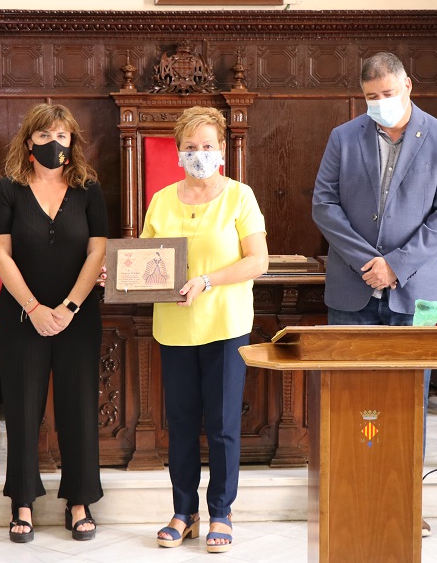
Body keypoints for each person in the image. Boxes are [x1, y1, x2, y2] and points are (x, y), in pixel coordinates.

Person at [311, 52, 437, 537]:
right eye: (371, 96)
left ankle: (405, 501)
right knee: (349, 401)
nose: (380, 102)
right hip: (352, 289)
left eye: (388, 93)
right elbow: (324, 204)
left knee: (408, 404)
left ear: (408, 86)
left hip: (413, 294)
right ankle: (350, 497)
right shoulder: (343, 137)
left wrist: (395, 266)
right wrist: (370, 263)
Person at [142, 106, 268, 553]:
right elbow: (146, 262)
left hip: (224, 326)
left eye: (208, 146)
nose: (200, 154)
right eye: (191, 147)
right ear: (178, 152)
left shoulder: (240, 196)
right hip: (174, 328)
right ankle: (184, 513)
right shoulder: (161, 200)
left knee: (222, 425)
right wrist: (117, 277)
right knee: (179, 425)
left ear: (222, 151)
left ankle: (221, 513)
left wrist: (208, 280)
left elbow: (258, 261)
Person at [0, 103, 107, 543]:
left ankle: (79, 501)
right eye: (43, 136)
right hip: (21, 317)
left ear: (72, 142)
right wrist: (35, 307)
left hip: (79, 315)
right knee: (22, 410)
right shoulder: (7, 190)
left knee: (79, 408)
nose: (52, 143)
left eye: (61, 135)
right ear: (28, 142)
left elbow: (98, 251)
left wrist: (70, 306)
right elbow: (0, 255)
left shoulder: (88, 189)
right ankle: (22, 502)